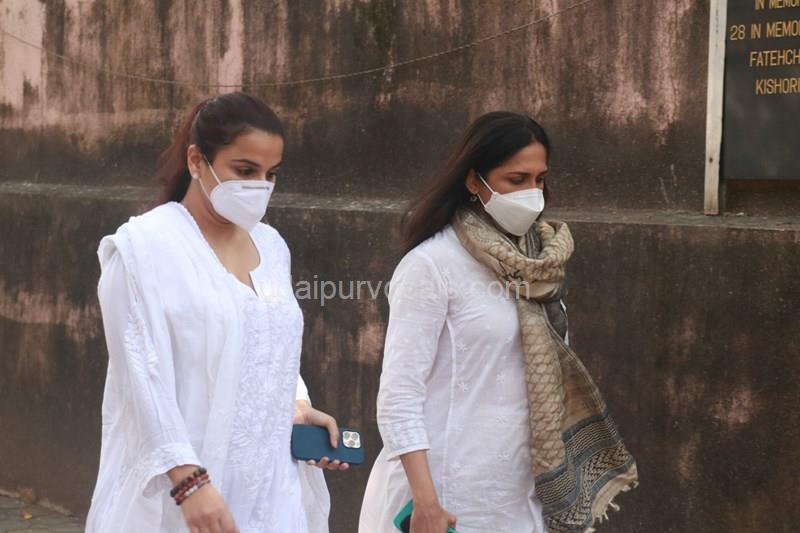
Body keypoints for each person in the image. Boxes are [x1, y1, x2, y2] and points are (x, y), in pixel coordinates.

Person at [359, 112, 637, 533]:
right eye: (516, 179)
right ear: (474, 181)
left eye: (539, 179)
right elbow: (399, 396)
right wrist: (426, 503)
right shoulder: (432, 265)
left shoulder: (540, 268)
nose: (532, 193)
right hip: (444, 495)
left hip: (521, 495)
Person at [86, 92, 347, 533]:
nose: (260, 185)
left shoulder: (271, 245)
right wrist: (189, 481)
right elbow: (142, 375)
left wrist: (298, 407)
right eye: (245, 170)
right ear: (196, 160)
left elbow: (270, 340)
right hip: (186, 493)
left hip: (272, 486)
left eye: (270, 174)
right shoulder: (141, 249)